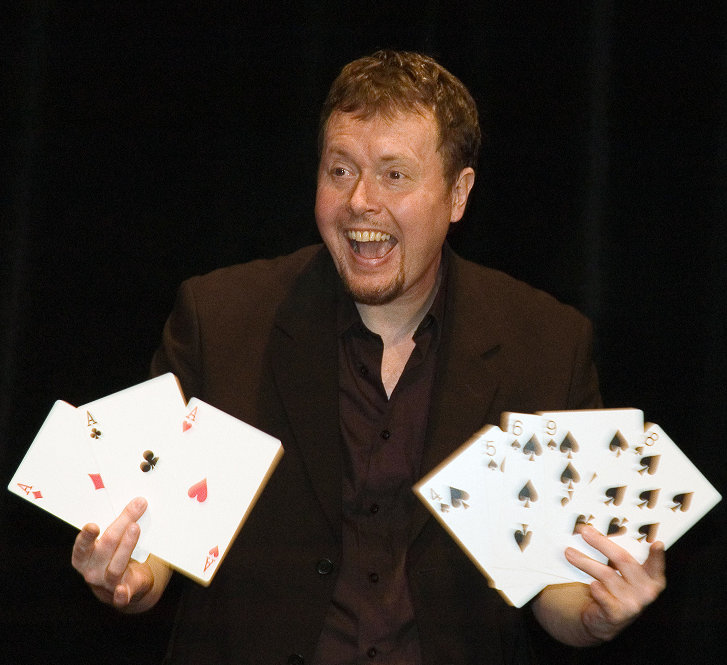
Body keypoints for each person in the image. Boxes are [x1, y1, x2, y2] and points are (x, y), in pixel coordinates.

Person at [71, 50, 665, 664]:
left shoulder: (545, 342)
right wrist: (128, 581)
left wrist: (596, 617)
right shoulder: (219, 319)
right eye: (340, 171)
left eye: (394, 175)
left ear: (458, 194)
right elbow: (153, 546)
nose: (360, 202)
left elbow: (556, 585)